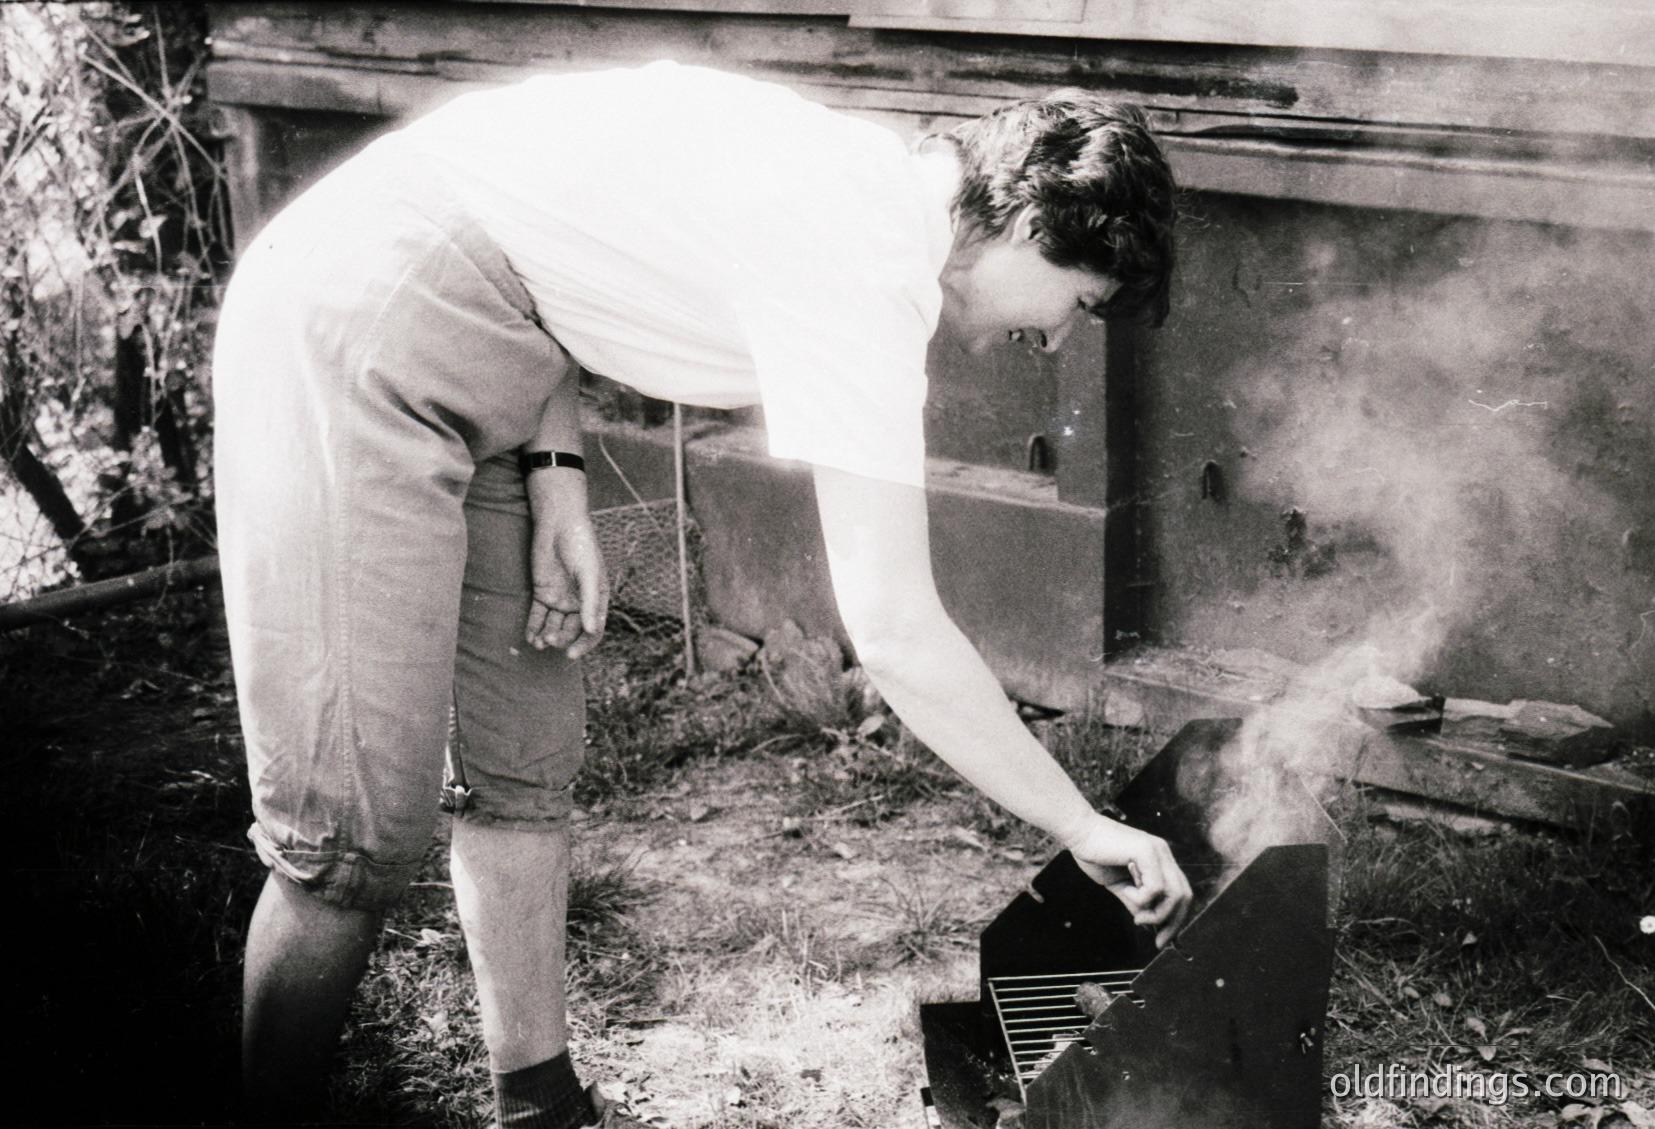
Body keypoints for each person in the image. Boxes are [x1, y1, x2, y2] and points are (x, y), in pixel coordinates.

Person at [213, 61, 1191, 1128]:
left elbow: (543, 233)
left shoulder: (874, 193)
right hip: (362, 322)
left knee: (522, 759)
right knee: (351, 839)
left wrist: (556, 477)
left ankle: (542, 1104)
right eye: (1076, 304)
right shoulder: (862, 260)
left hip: (503, 354)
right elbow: (898, 632)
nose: (1051, 341)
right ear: (1031, 223)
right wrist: (1076, 819)